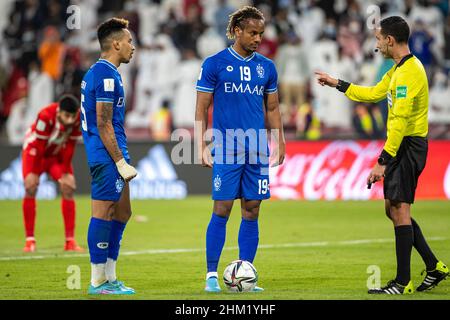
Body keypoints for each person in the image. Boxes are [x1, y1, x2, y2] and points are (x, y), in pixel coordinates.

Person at [315, 16, 448, 295]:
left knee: (399, 210)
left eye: (378, 39)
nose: (376, 44)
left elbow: (399, 120)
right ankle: (434, 266)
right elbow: (373, 93)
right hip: (403, 145)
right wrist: (337, 83)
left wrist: (382, 162)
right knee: (394, 209)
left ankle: (402, 282)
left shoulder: (410, 72)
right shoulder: (397, 69)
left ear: (389, 40)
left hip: (408, 146)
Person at [195, 6, 285, 292]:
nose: (258, 38)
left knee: (252, 208)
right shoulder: (214, 64)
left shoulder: (267, 67)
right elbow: (202, 108)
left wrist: (279, 140)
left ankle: (246, 273)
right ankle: (211, 275)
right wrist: (200, 145)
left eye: (261, 33)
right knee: (222, 208)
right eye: (253, 32)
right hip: (227, 145)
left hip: (257, 148)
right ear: (237, 31)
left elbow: (272, 108)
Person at [80, 18, 137, 295]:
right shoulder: (104, 75)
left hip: (113, 151)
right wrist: (120, 161)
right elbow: (103, 123)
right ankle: (97, 281)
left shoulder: (106, 73)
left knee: (124, 212)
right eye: (128, 41)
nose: (132, 47)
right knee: (104, 213)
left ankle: (111, 276)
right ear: (115, 43)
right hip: (105, 155)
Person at [22, 94, 84, 253]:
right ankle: (30, 240)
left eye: (73, 116)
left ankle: (70, 241)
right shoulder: (45, 115)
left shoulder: (78, 118)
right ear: (58, 112)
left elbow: (70, 146)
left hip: (57, 155)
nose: (70, 120)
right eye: (66, 116)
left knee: (68, 187)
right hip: (35, 153)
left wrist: (65, 173)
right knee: (30, 187)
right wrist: (34, 172)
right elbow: (40, 145)